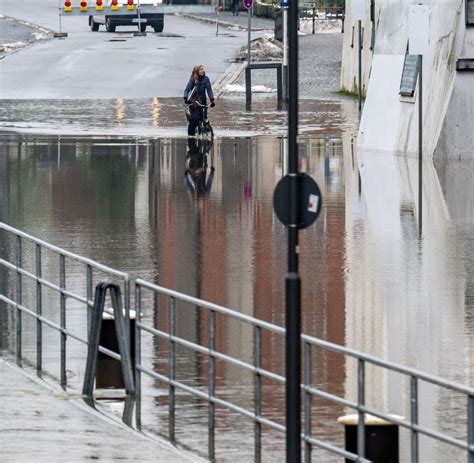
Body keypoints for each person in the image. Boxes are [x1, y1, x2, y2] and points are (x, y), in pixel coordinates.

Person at [183, 65, 215, 137]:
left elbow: (209, 90)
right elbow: (187, 89)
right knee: (194, 120)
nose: (202, 70)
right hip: (194, 103)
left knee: (204, 118)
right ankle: (191, 137)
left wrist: (212, 100)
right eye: (201, 69)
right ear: (197, 71)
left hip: (203, 103)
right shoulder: (193, 79)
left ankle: (209, 133)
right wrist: (186, 97)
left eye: (203, 69)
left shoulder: (206, 79)